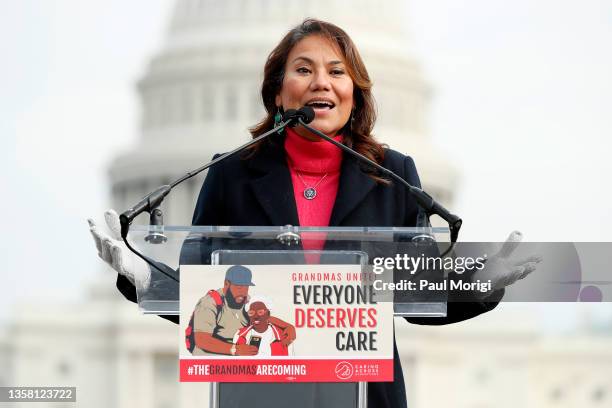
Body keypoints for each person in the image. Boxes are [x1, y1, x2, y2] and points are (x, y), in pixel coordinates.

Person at [90, 18, 539, 408]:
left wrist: (480, 281)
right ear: (278, 91)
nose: (321, 82)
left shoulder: (393, 174)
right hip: (260, 394)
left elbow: (416, 291)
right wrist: (145, 278)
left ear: (354, 92)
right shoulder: (231, 173)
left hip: (365, 392)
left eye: (337, 72)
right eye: (303, 70)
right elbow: (203, 293)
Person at [188, 265, 295, 356]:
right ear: (226, 284)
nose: (243, 292)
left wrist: (287, 326)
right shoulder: (209, 303)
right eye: (239, 287)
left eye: (246, 287)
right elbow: (201, 339)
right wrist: (236, 349)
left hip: (237, 359)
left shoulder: (244, 299)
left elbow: (260, 316)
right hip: (210, 360)